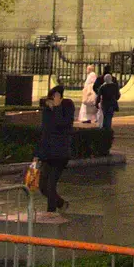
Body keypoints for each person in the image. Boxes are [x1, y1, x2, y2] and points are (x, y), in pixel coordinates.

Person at [35, 85, 77, 214]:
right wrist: (37, 154)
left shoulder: (67, 106)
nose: (53, 100)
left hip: (60, 153)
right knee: (43, 186)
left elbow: (62, 124)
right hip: (47, 153)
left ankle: (51, 212)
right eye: (52, 98)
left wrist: (58, 107)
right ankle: (61, 203)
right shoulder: (47, 109)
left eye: (56, 97)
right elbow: (44, 132)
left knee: (51, 185)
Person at [96, 67, 121, 132]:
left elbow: (99, 96)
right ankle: (108, 128)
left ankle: (104, 128)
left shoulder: (102, 87)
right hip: (112, 103)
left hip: (104, 103)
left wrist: (97, 103)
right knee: (109, 116)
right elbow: (117, 95)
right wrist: (116, 98)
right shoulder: (114, 86)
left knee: (104, 115)